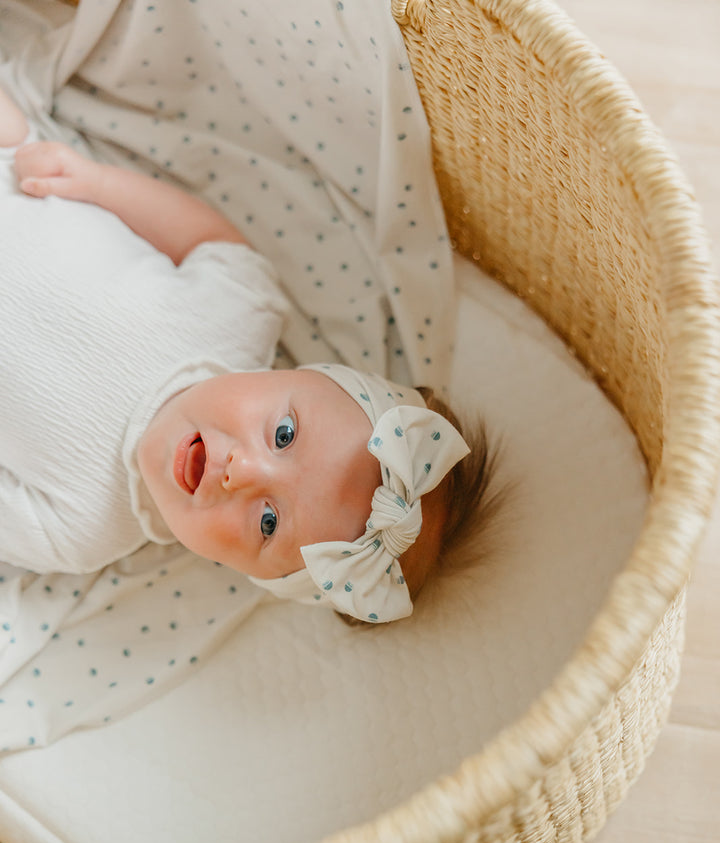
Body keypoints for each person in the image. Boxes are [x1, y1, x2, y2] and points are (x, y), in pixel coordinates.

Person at [0, 85, 496, 623]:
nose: (244, 470)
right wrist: (96, 182)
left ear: (250, 574)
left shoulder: (80, 529)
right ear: (298, 375)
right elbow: (204, 237)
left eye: (267, 523)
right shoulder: (239, 314)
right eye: (284, 434)